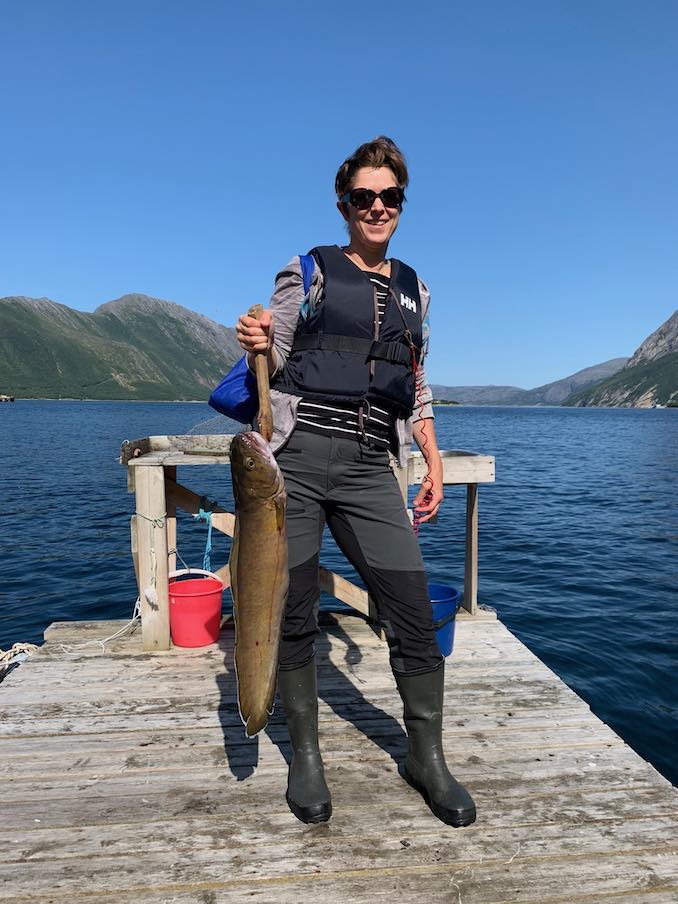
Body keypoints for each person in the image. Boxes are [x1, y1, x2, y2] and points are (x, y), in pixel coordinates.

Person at [235, 136, 476, 828]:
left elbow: (417, 383)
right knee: (293, 614)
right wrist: (254, 337)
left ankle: (425, 757)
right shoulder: (307, 270)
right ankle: (306, 756)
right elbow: (271, 353)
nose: (377, 207)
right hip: (301, 458)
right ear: (344, 204)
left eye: (389, 197)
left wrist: (431, 460)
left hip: (375, 465)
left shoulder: (416, 290)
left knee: (412, 613)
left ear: (401, 204)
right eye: (363, 197)